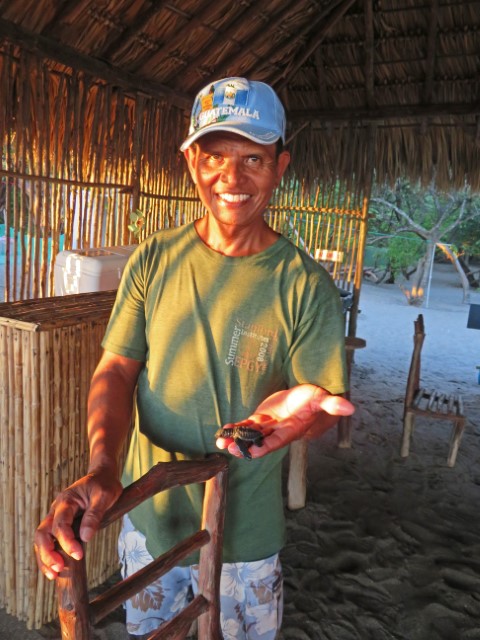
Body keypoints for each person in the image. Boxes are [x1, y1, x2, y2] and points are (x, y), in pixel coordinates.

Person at [34, 77, 354, 640]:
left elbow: (321, 408)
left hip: (244, 535)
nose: (232, 179)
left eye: (253, 157)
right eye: (215, 157)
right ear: (190, 161)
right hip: (148, 516)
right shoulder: (155, 259)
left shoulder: (307, 288)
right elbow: (116, 369)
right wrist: (105, 466)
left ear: (281, 165)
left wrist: (305, 417)